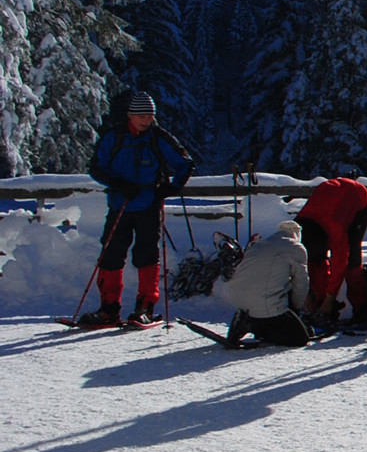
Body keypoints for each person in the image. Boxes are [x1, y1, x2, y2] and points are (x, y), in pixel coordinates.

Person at [81, 90, 194, 326]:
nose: (146, 120)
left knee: (146, 255)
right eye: (141, 115)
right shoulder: (114, 137)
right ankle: (108, 309)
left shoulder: (159, 138)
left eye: (150, 115)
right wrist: (117, 184)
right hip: (119, 203)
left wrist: (170, 188)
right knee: (110, 255)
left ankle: (145, 307)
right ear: (130, 116)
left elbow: (185, 164)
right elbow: (96, 167)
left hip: (148, 205)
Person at [218, 220, 312, 346]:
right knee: (300, 339)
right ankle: (256, 326)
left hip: (238, 300)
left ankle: (249, 320)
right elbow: (301, 282)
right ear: (297, 235)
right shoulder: (295, 247)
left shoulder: (261, 244)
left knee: (269, 296)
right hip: (265, 304)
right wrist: (295, 309)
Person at [297, 176, 367, 323]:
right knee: (315, 263)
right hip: (331, 200)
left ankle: (361, 308)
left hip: (358, 200)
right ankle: (317, 303)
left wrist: (330, 298)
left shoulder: (334, 228)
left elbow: (340, 263)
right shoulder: (298, 228)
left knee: (352, 260)